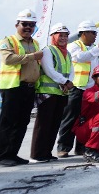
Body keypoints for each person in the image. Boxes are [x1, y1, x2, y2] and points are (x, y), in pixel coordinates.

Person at [0, 9, 42, 167]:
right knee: (8, 122)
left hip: (29, 88)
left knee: (22, 122)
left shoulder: (35, 43)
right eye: (25, 24)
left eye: (31, 25)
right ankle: (3, 155)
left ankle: (13, 154)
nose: (28, 27)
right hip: (13, 87)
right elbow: (8, 59)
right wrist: (32, 57)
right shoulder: (8, 41)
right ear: (17, 24)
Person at [58, 20, 99, 158]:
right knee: (70, 118)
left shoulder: (93, 49)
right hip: (77, 88)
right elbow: (79, 58)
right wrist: (97, 49)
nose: (95, 36)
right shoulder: (74, 46)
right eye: (93, 33)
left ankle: (81, 147)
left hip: (90, 90)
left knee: (86, 119)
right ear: (84, 33)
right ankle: (63, 147)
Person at [31, 23, 74, 162]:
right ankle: (37, 154)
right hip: (47, 93)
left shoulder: (67, 54)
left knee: (54, 124)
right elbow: (49, 70)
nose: (63, 38)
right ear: (53, 36)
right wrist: (65, 82)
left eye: (65, 35)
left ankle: (47, 152)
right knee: (43, 124)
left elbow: (71, 71)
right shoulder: (48, 50)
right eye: (60, 35)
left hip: (61, 93)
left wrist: (69, 82)